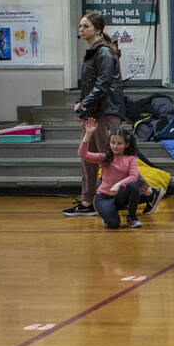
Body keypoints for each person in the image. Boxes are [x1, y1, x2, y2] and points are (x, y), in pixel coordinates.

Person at [64, 12, 124, 218]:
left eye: (86, 26)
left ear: (97, 30)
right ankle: (87, 201)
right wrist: (82, 105)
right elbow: (90, 86)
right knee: (87, 157)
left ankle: (146, 191)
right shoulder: (93, 52)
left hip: (105, 112)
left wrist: (83, 107)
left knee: (114, 158)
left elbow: (103, 84)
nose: (81, 30)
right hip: (94, 112)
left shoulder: (105, 53)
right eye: (80, 26)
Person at [85, 127, 148, 230]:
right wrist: (88, 134)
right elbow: (82, 154)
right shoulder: (105, 157)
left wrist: (118, 184)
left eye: (119, 143)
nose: (115, 146)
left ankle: (132, 217)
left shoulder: (131, 159)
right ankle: (107, 215)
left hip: (119, 195)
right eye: (113, 143)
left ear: (126, 145)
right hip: (103, 197)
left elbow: (133, 176)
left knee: (133, 186)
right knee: (113, 225)